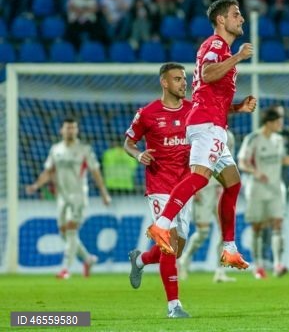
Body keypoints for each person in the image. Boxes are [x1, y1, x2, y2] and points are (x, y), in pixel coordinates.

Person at [146, 0, 256, 273]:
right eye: (236, 14)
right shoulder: (217, 45)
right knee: (199, 177)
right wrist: (239, 57)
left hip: (212, 121)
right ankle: (161, 226)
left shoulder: (220, 49)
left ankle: (229, 249)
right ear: (222, 20)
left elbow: (206, 94)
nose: (241, 19)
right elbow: (207, 75)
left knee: (232, 183)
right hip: (207, 125)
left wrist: (237, 107)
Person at [124, 63, 194, 318]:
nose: (183, 83)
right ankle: (173, 306)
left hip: (186, 187)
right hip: (160, 187)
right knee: (169, 244)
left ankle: (140, 260)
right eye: (177, 79)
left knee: (177, 249)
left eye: (184, 79)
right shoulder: (148, 113)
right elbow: (128, 143)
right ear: (164, 83)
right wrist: (138, 154)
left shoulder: (192, 110)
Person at [26, 118, 111, 280]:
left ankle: (65, 269)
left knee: (71, 229)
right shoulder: (55, 149)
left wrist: (104, 193)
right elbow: (49, 172)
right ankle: (87, 259)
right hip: (62, 197)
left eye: (73, 128)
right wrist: (36, 186)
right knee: (64, 233)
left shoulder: (84, 149)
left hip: (78, 196)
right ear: (62, 130)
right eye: (67, 128)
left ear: (76, 131)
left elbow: (95, 172)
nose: (70, 131)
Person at [238, 107, 289, 279]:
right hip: (257, 188)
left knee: (278, 224)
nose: (281, 125)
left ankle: (278, 264)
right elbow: (242, 162)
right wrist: (256, 173)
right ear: (269, 123)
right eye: (278, 122)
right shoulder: (253, 138)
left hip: (277, 188)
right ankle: (258, 266)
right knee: (257, 227)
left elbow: (283, 160)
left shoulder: (279, 140)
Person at [177, 130, 238, 284]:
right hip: (203, 188)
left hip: (220, 188)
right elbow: (187, 161)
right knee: (203, 232)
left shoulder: (229, 137)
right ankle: (184, 260)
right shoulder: (200, 134)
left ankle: (220, 271)